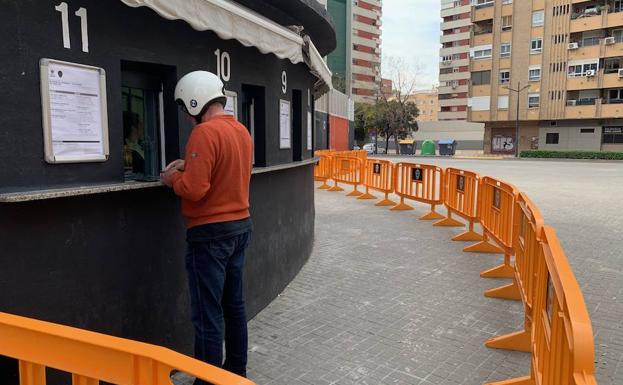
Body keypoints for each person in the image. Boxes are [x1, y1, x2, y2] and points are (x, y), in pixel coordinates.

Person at [160, 71, 253, 382]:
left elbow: (196, 189)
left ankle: (208, 379)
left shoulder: (204, 133)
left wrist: (172, 177)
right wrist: (190, 165)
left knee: (207, 313)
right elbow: (224, 170)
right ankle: (236, 372)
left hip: (209, 234)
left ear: (194, 100)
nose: (188, 118)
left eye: (187, 109)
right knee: (234, 306)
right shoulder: (241, 131)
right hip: (240, 227)